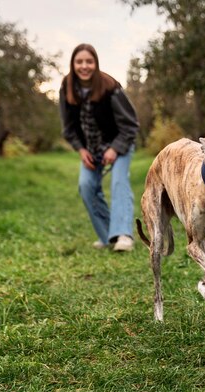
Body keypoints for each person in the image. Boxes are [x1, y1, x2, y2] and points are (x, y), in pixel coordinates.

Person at [59, 43, 139, 252]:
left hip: (119, 144)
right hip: (90, 150)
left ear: (95, 63)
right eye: (79, 62)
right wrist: (80, 149)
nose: (84, 66)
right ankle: (108, 237)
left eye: (89, 61)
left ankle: (124, 236)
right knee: (86, 186)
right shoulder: (67, 87)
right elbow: (68, 128)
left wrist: (115, 149)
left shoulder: (110, 87)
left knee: (119, 182)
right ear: (73, 64)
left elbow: (131, 124)